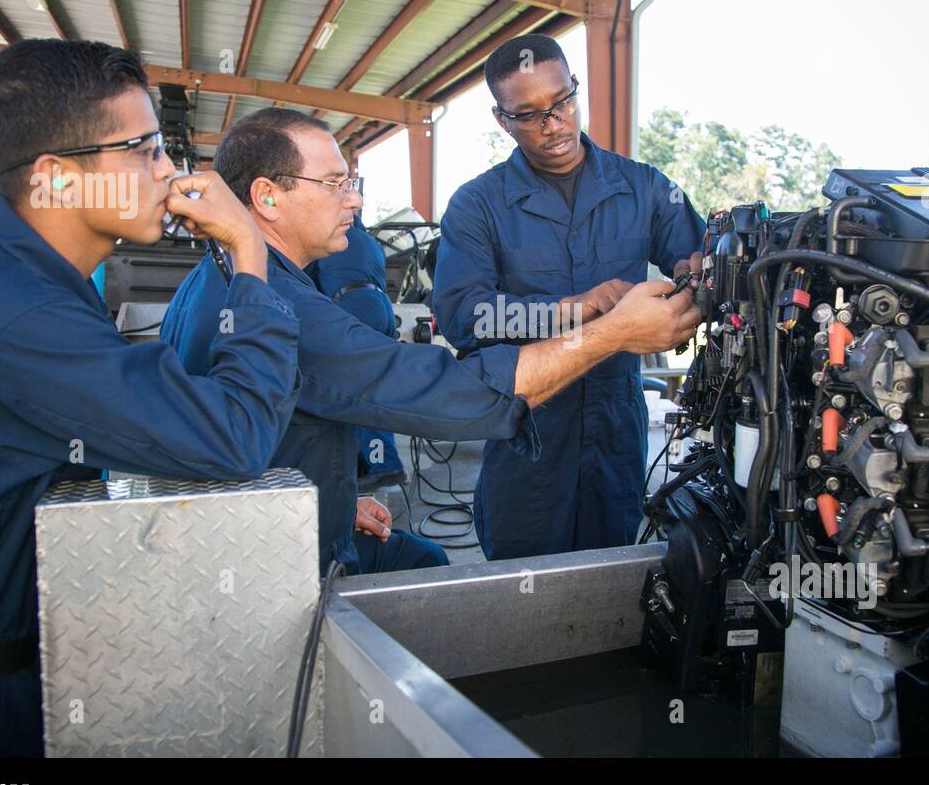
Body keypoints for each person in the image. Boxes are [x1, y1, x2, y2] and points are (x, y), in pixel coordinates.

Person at [0, 39, 303, 756]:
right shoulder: (17, 318)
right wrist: (251, 255)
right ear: (57, 179)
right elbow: (235, 436)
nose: (169, 170)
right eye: (142, 150)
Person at [161, 108, 701, 578]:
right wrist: (612, 332)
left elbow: (239, 427)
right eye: (335, 183)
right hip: (270, 560)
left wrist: (328, 499)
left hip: (263, 524)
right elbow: (451, 392)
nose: (354, 201)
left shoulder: (214, 277)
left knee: (422, 560)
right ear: (268, 197)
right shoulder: (283, 307)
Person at [433, 34, 707, 560]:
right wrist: (576, 308)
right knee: (522, 592)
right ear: (501, 119)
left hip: (615, 432)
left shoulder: (645, 187)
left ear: (575, 89)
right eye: (529, 114)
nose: (552, 123)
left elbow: (698, 262)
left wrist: (696, 280)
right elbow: (463, 317)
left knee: (610, 586)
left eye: (562, 102)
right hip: (526, 433)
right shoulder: (477, 205)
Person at [307, 211, 407, 491]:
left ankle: (382, 466)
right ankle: (379, 461)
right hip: (380, 307)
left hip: (351, 306)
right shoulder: (368, 241)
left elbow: (307, 282)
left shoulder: (330, 238)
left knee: (357, 392)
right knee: (374, 389)